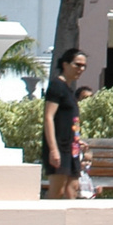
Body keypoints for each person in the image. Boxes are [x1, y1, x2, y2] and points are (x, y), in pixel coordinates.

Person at [43, 48, 86, 200]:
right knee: (57, 190)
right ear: (65, 64)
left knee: (72, 189)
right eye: (77, 65)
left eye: (83, 66)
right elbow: (48, 117)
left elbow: (69, 119)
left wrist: (77, 139)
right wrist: (53, 150)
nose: (80, 69)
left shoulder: (68, 89)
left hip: (71, 147)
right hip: (59, 146)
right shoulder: (56, 86)